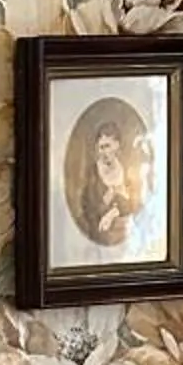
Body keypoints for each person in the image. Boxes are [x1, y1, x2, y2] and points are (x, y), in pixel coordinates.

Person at [59, 92, 159, 262]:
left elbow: (137, 205)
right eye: (100, 147)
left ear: (117, 145)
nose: (104, 152)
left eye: (107, 146)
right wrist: (104, 207)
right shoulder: (93, 174)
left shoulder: (130, 171)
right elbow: (87, 205)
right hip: (96, 240)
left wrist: (113, 212)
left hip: (128, 244)